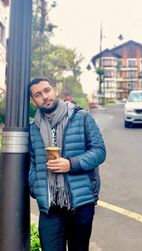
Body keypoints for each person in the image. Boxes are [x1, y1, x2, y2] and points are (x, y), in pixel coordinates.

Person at [29, 77, 106, 251]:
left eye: (47, 90)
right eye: (38, 94)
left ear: (55, 90)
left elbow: (99, 151)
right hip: (50, 206)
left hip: (80, 202)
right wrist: (35, 187)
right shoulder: (33, 129)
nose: (45, 96)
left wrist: (71, 164)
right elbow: (32, 162)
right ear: (34, 101)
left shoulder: (82, 117)